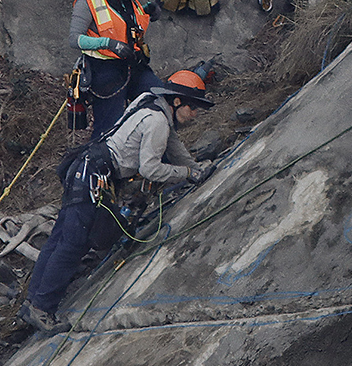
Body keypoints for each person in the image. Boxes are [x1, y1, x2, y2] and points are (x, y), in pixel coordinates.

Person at [21, 69, 215, 334]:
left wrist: (194, 167)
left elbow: (172, 144)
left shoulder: (148, 102)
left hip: (84, 166)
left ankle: (33, 302)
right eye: (194, 108)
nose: (195, 115)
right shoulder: (157, 121)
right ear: (177, 101)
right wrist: (189, 173)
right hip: (95, 175)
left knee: (58, 240)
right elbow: (150, 169)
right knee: (72, 245)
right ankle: (42, 308)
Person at [71, 0, 160, 140]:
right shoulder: (88, 0)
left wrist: (148, 10)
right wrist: (108, 44)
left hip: (133, 65)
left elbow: (125, 21)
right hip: (105, 73)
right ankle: (96, 167)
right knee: (109, 130)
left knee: (159, 101)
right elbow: (74, 39)